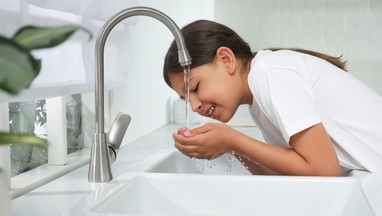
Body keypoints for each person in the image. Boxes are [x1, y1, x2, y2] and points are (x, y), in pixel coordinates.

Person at [163, 19, 382, 178]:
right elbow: (287, 171)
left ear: (226, 59)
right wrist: (227, 147)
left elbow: (325, 171)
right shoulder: (258, 97)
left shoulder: (269, 75)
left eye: (196, 87)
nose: (195, 105)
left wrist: (233, 140)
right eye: (186, 100)